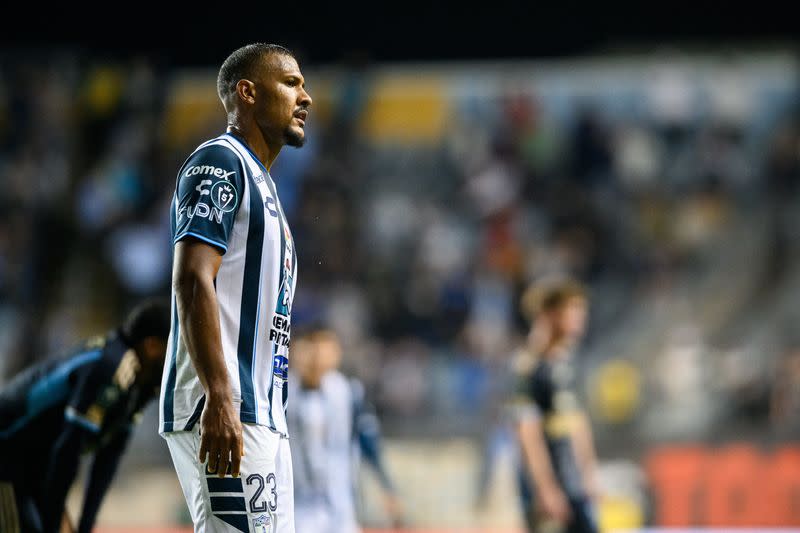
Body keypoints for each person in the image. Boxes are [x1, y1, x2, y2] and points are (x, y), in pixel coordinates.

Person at [159, 42, 311, 533]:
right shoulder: (221, 162)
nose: (305, 96)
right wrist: (220, 396)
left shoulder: (265, 185)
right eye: (291, 83)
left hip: (260, 412)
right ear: (247, 92)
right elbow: (192, 277)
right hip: (227, 407)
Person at [0, 299, 171, 533]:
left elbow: (106, 463)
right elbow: (67, 450)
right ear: (151, 346)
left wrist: (85, 526)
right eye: (172, 347)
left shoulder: (138, 388)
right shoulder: (111, 367)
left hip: (34, 465)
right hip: (7, 454)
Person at [288, 327, 402, 533]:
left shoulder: (347, 392)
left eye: (323, 350)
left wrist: (387, 487)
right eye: (310, 350)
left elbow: (369, 443)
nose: (316, 358)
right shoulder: (284, 393)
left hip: (340, 504)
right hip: (297, 503)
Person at [508, 278, 600, 533]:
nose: (581, 318)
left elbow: (578, 422)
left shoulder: (569, 362)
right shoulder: (530, 366)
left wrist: (589, 473)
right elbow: (527, 431)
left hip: (573, 481)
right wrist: (545, 488)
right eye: (574, 311)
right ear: (552, 315)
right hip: (549, 485)